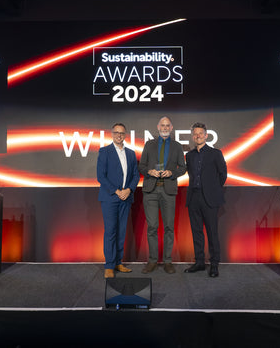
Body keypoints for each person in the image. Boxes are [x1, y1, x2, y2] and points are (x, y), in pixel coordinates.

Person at [138, 116, 186, 274]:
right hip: (150, 190)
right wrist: (149, 171)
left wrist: (172, 172)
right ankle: (152, 261)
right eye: (162, 125)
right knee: (152, 227)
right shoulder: (149, 144)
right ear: (158, 127)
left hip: (168, 191)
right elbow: (141, 166)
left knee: (168, 228)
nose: (165, 128)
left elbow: (183, 168)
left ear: (171, 128)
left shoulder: (177, 146)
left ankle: (167, 261)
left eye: (167, 125)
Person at [184, 122, 227, 278]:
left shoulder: (216, 153)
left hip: (210, 198)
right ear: (192, 136)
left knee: (212, 232)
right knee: (196, 232)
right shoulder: (189, 155)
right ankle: (200, 262)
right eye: (195, 134)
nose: (198, 136)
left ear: (206, 135)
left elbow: (223, 175)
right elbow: (190, 174)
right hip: (193, 197)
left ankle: (214, 264)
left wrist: (212, 189)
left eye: (200, 133)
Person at [97, 123, 140, 279]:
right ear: (112, 134)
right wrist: (117, 191)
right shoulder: (104, 151)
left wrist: (128, 190)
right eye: (116, 132)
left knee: (121, 231)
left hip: (126, 198)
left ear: (125, 135)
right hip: (110, 197)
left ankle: (117, 262)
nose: (119, 135)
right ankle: (108, 265)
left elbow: (136, 175)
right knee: (110, 231)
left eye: (122, 133)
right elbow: (101, 176)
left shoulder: (130, 153)